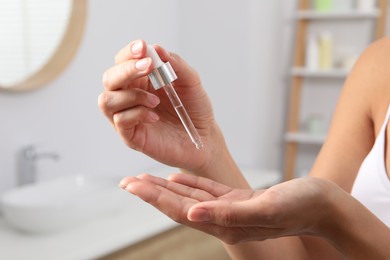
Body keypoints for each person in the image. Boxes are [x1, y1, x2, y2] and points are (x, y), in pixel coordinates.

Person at [98, 38, 390, 259]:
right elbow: (308, 255)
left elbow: (329, 218)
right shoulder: (379, 65)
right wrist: (207, 154)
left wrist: (336, 217)